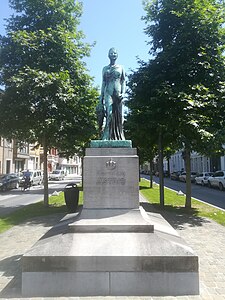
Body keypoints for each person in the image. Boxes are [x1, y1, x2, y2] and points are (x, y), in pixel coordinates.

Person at [97, 48, 126, 140]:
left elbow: (123, 81)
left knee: (119, 117)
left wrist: (123, 93)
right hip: (108, 93)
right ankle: (106, 135)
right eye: (111, 53)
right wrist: (101, 97)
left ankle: (118, 136)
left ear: (117, 55)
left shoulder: (121, 67)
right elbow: (103, 83)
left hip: (118, 95)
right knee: (109, 113)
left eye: (115, 53)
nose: (113, 54)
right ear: (108, 55)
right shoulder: (105, 68)